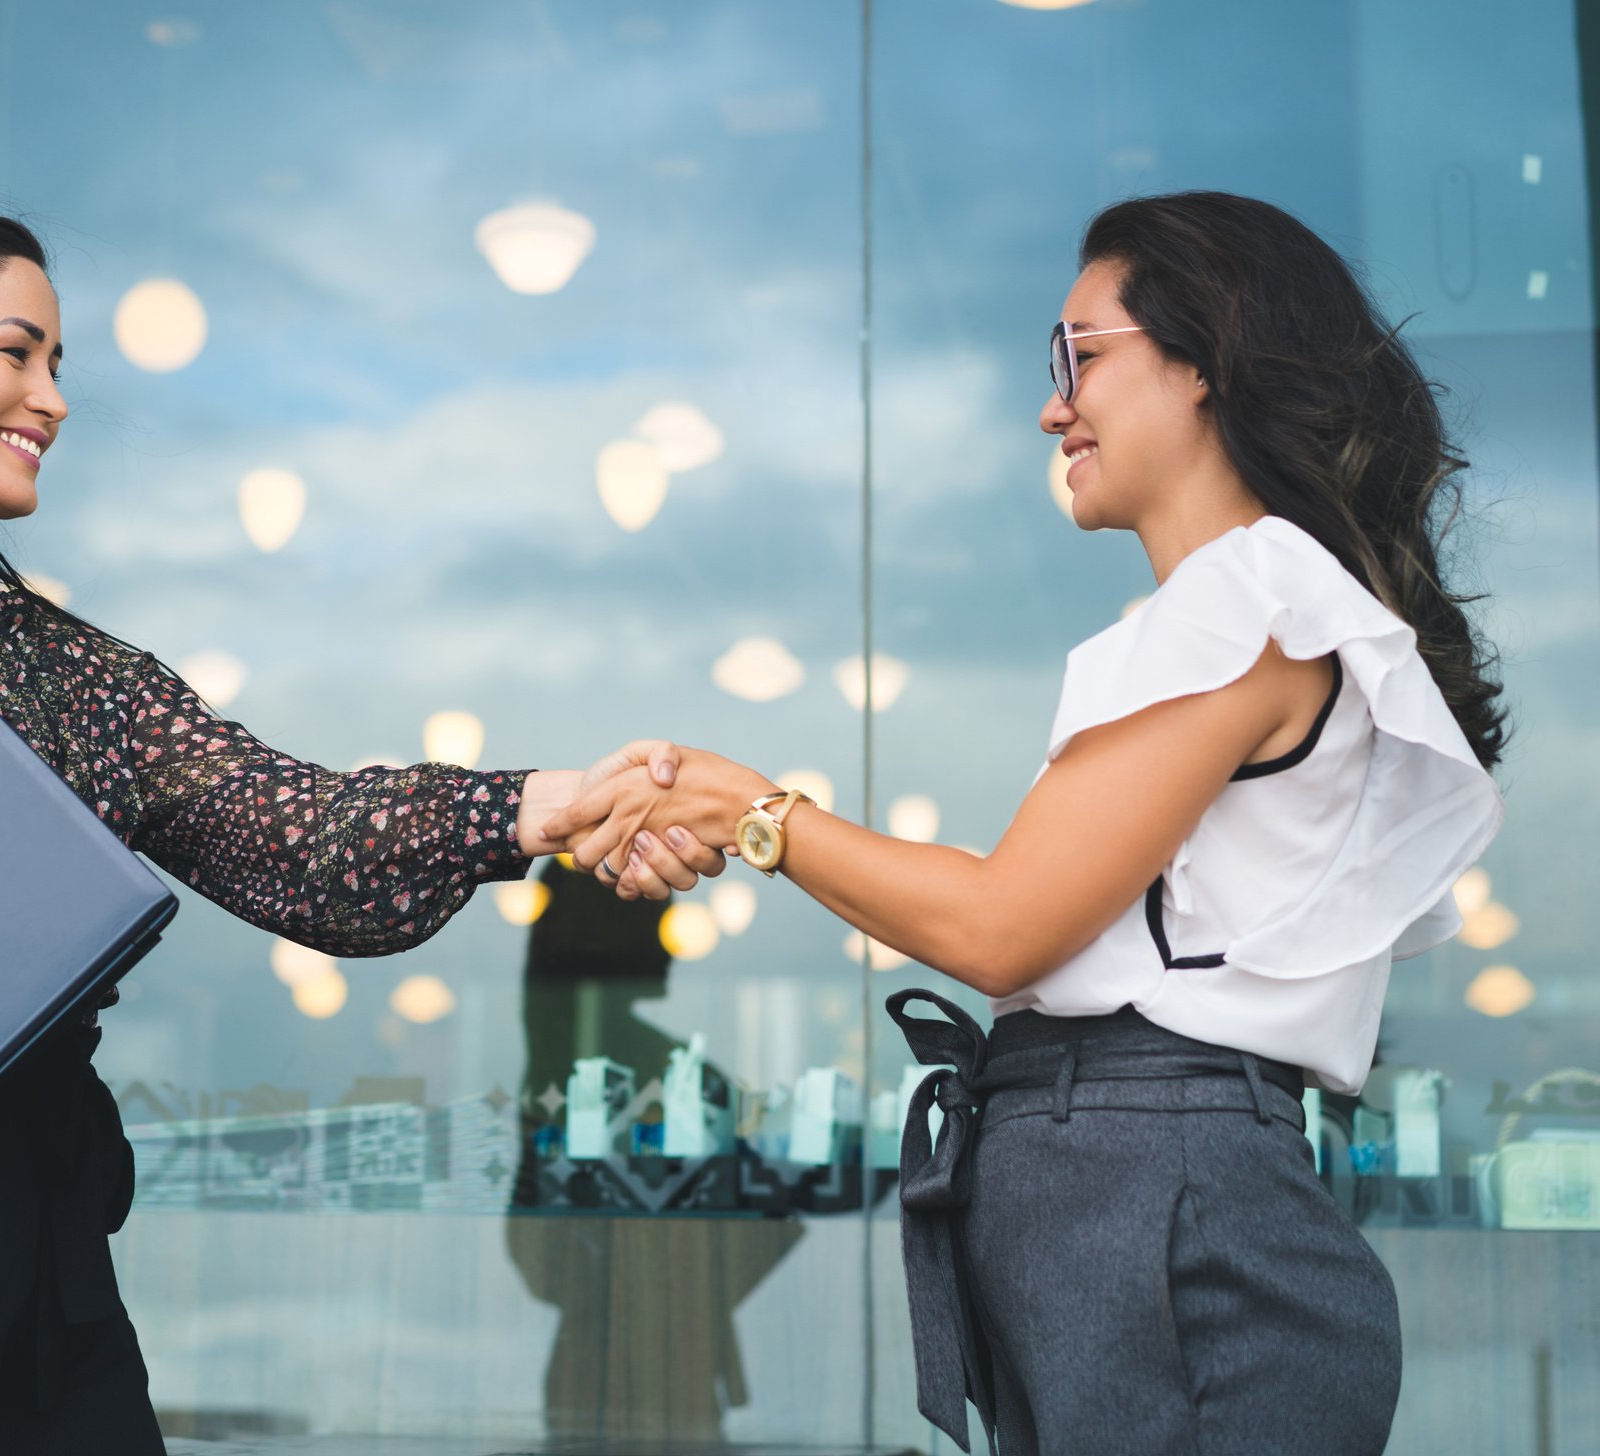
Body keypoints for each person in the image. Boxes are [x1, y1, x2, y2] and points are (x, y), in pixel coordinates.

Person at [0, 205, 722, 1454]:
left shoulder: (68, 669)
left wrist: (529, 807)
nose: (50, 396)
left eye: (58, 366)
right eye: (15, 351)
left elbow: (292, 832)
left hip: (46, 1266)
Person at [550, 191, 1508, 1455]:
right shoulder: (1224, 613)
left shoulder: (1249, 594)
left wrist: (747, 808)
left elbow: (1003, 926)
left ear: (1204, 361)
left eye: (1081, 357)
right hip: (1134, 1189)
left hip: (1153, 1192)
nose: (1054, 406)